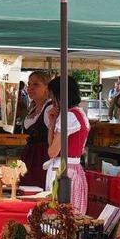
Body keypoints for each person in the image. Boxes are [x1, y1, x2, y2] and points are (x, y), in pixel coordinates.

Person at [45, 76, 91, 213]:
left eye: (54, 97)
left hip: (64, 170)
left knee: (60, 215)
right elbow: (52, 145)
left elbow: (52, 151)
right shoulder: (79, 113)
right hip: (73, 168)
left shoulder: (69, 117)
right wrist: (52, 123)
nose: (53, 101)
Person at [19, 71, 53, 188]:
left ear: (46, 88)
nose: (30, 88)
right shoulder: (33, 108)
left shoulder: (50, 109)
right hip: (30, 156)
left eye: (36, 84)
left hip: (42, 158)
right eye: (29, 84)